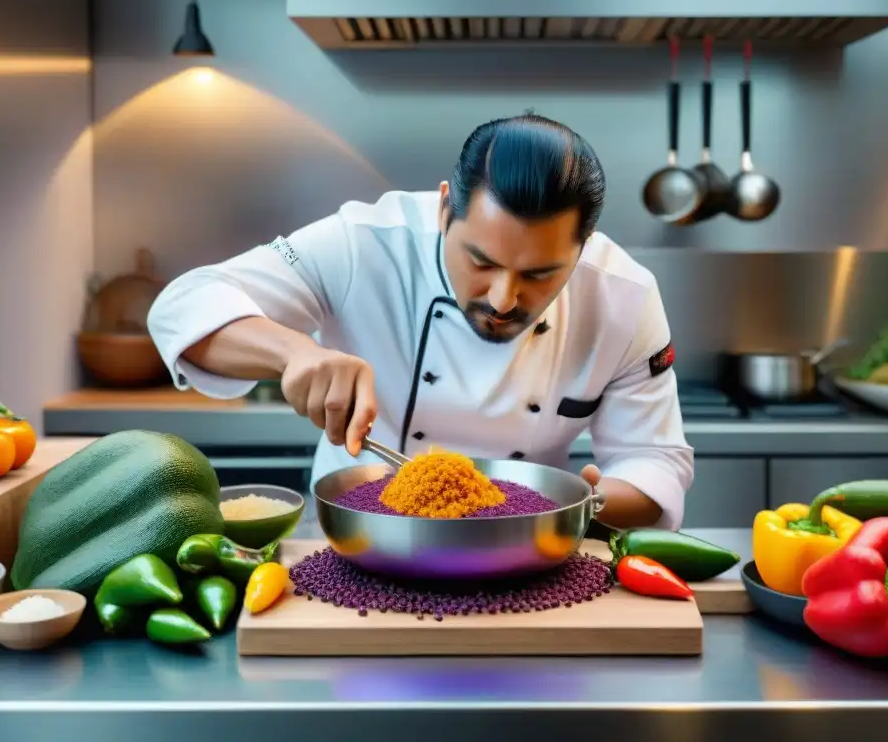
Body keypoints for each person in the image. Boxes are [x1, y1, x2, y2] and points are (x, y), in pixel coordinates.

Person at [147, 113, 694, 530]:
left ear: (583, 248)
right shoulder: (364, 244)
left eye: (541, 274)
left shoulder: (625, 296)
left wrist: (586, 504)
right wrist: (294, 353)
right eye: (481, 261)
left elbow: (654, 459)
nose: (504, 299)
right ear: (443, 209)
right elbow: (185, 304)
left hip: (528, 549)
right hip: (357, 541)